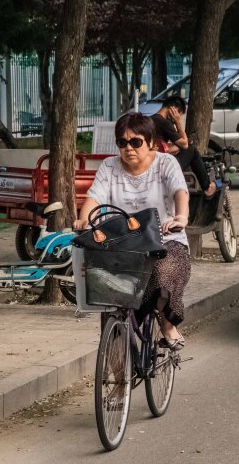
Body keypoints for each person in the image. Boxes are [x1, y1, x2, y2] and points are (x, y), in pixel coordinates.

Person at [78, 112, 191, 349]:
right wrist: (83, 221)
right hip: (122, 245)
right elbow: (94, 198)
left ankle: (167, 324)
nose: (128, 148)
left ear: (150, 142)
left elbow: (180, 191)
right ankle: (117, 378)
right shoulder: (109, 167)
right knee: (106, 292)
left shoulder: (165, 163)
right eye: (122, 142)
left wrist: (180, 217)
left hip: (164, 241)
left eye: (136, 142)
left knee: (162, 274)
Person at [152, 113, 215, 198]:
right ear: (173, 109)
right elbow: (185, 144)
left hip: (154, 163)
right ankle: (207, 188)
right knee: (191, 150)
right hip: (162, 167)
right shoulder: (164, 122)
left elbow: (161, 148)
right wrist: (178, 122)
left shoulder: (149, 121)